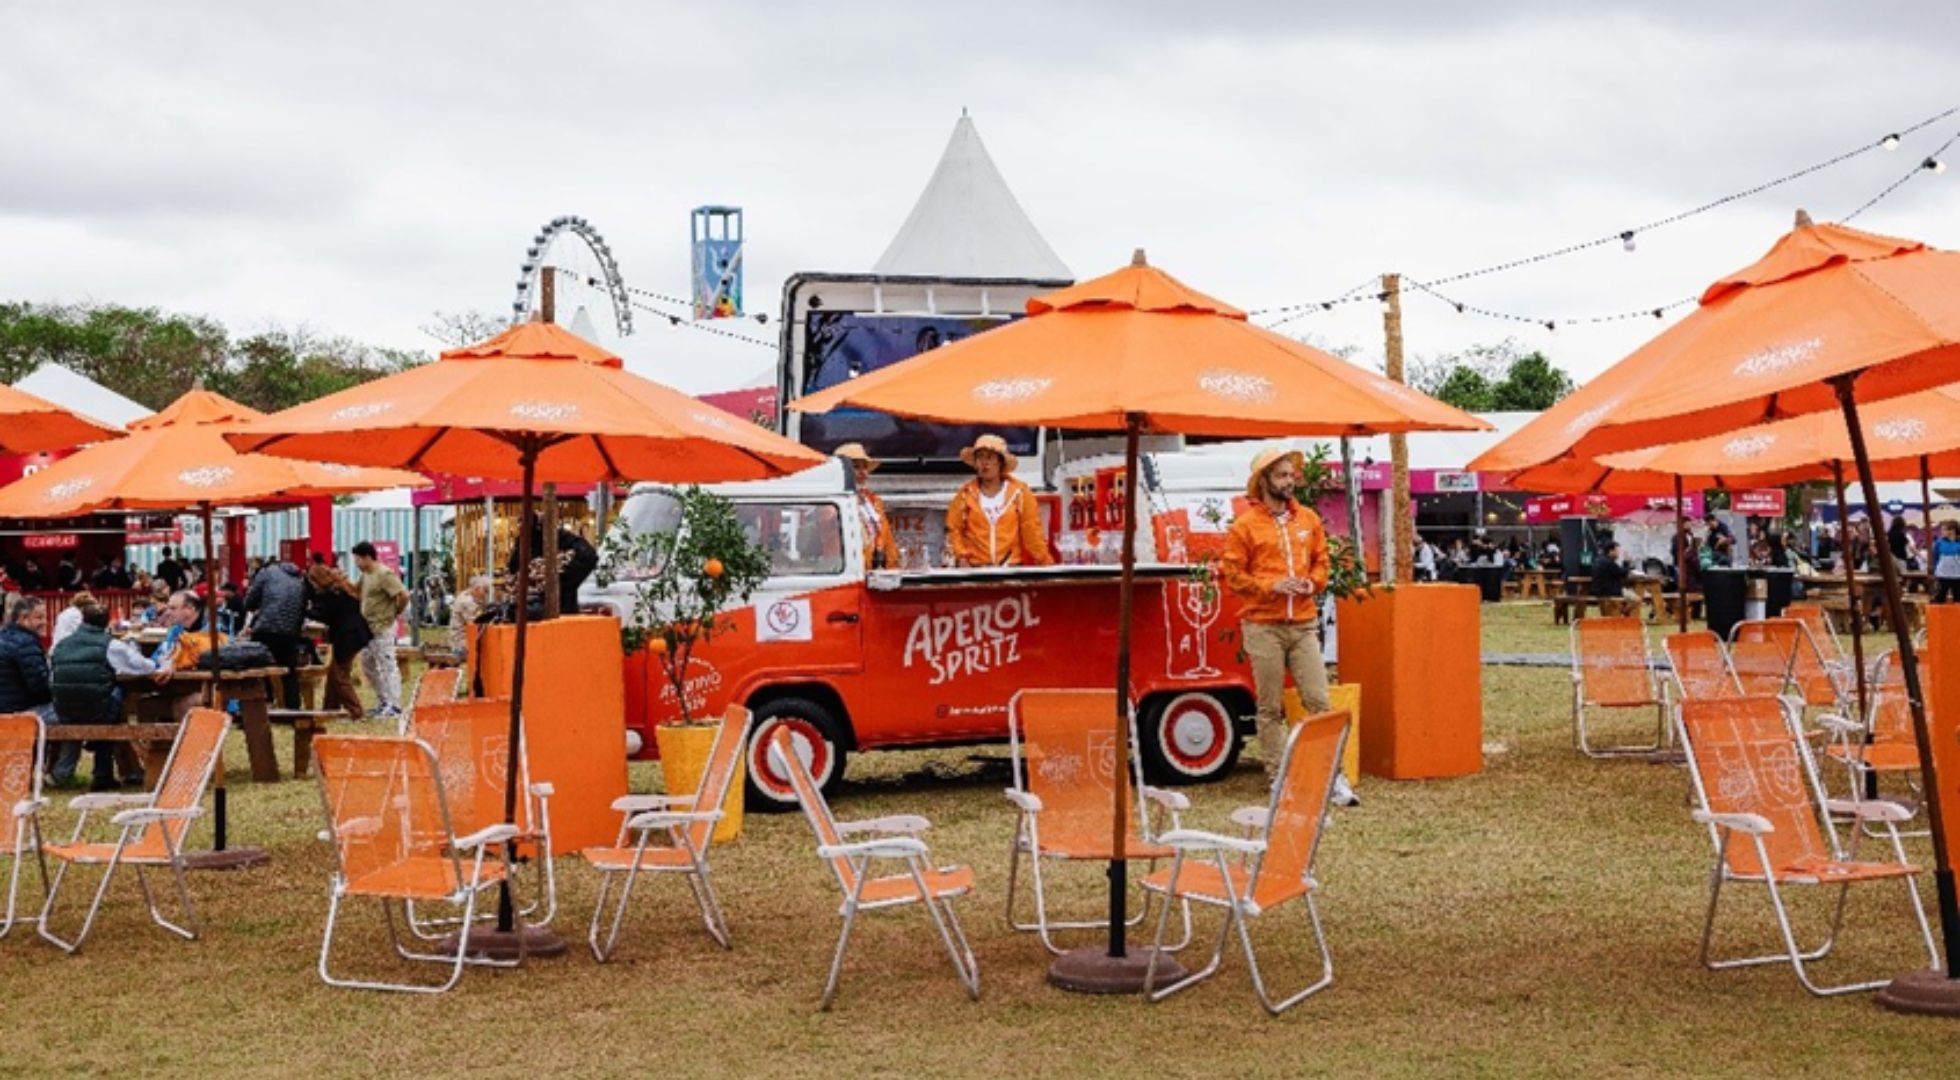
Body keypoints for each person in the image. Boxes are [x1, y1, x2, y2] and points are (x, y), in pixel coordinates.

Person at [1219, 448, 1355, 806]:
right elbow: (1233, 574)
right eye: (1281, 475)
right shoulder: (1244, 526)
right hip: (1263, 626)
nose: (1290, 480)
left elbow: (1322, 562)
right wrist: (1271, 586)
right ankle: (1278, 779)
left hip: (1304, 624)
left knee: (1319, 701)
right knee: (1269, 707)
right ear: (1263, 481)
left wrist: (1313, 583)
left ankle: (1333, 777)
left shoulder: (1307, 519)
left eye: (1291, 474)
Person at [48, 604, 138, 791]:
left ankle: (67, 772)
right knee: (117, 694)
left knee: (93, 699)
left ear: (82, 621)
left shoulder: (62, 644)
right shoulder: (110, 644)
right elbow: (140, 666)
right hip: (99, 711)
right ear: (107, 623)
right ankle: (102, 772)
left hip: (64, 710)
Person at [944, 434, 1053, 568]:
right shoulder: (965, 494)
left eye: (989, 457)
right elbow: (954, 529)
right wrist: (961, 556)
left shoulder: (1020, 492)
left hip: (1010, 569)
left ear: (1000, 462)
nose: (984, 463)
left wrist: (1045, 562)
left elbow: (1032, 531)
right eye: (980, 457)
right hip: (976, 570)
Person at [0, 597, 61, 782]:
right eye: (39, 617)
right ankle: (60, 772)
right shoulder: (26, 643)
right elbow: (40, 688)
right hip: (21, 711)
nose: (45, 622)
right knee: (72, 713)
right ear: (23, 619)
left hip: (6, 708)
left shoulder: (4, 637)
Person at [306, 563, 372, 722]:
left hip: (346, 636)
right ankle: (330, 708)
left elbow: (325, 615)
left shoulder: (332, 594)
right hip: (357, 633)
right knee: (334, 671)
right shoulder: (342, 588)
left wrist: (305, 611)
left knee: (340, 676)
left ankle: (356, 712)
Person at [352, 542, 408, 720]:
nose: (356, 563)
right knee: (368, 665)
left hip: (383, 627)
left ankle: (395, 705)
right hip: (368, 628)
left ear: (368, 557)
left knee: (387, 665)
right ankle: (384, 701)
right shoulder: (366, 575)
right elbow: (355, 591)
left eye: (358, 559)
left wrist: (395, 612)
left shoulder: (384, 574)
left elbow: (403, 595)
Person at [244, 558, 307, 709]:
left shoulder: (267, 573)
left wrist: (260, 605)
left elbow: (249, 602)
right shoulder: (299, 580)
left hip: (265, 629)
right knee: (289, 673)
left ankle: (264, 704)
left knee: (258, 668)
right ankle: (293, 709)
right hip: (290, 633)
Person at [836, 443, 902, 570]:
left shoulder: (874, 501)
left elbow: (886, 539)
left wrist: (891, 568)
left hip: (878, 570)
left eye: (865, 467)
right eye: (856, 467)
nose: (862, 473)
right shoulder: (835, 504)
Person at [1932, 521, 1960, 604]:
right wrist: (1935, 569)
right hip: (1943, 574)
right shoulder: (1939, 543)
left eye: (1945, 530)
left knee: (1958, 597)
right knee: (1940, 596)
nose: (1942, 532)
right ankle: (1939, 615)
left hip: (1957, 574)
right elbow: (1935, 557)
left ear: (1953, 530)